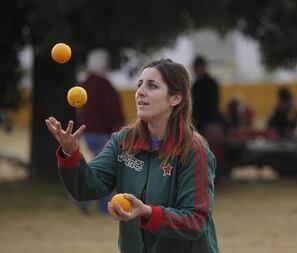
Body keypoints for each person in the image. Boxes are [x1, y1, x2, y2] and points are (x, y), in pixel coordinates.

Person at [45, 59, 219, 253]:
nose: (140, 92)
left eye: (152, 86)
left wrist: (147, 212)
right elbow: (87, 188)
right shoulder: (123, 141)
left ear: (175, 98)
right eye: (139, 84)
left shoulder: (194, 149)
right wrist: (70, 152)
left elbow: (195, 220)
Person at [77, 49, 125, 215]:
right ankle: (95, 203)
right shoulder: (104, 85)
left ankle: (84, 198)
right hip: (103, 132)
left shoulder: (85, 83)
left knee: (98, 167)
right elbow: (112, 111)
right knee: (105, 170)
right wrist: (121, 128)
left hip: (88, 131)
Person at [191, 55, 222, 134]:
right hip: (198, 121)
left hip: (209, 122)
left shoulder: (211, 83)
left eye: (198, 66)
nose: (197, 69)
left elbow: (214, 103)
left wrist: (211, 121)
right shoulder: (195, 85)